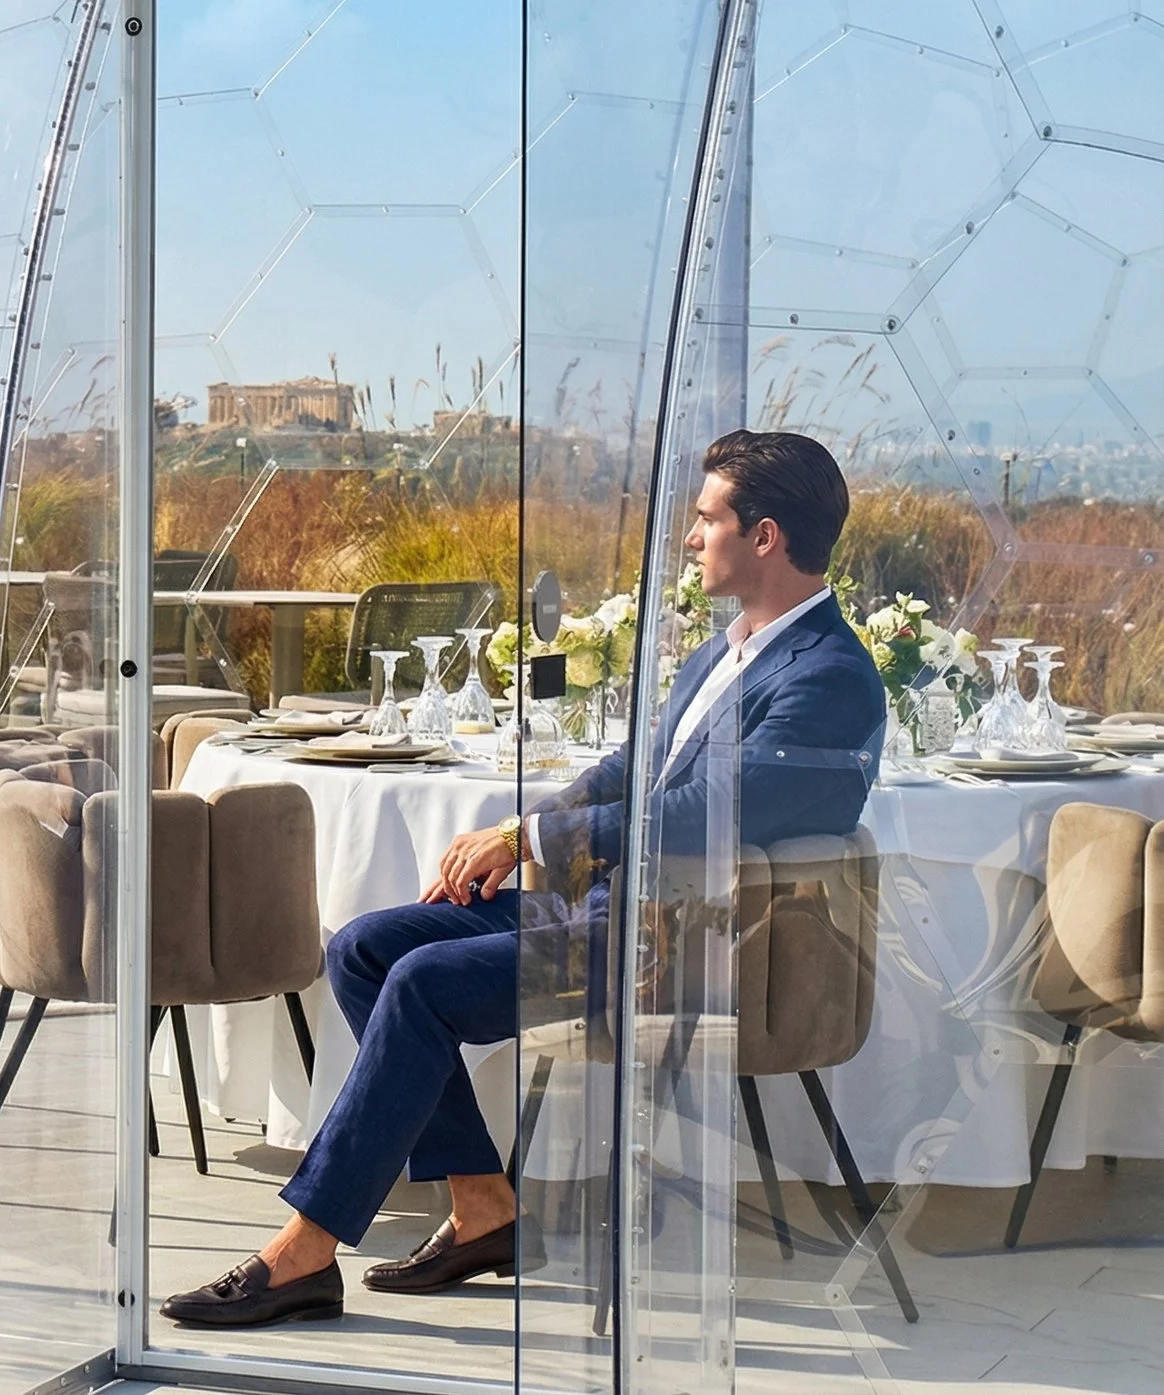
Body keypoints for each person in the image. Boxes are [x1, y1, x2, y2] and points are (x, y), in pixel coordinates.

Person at [161, 429, 887, 1328]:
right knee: (363, 948)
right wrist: (517, 829)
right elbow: (638, 769)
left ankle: (305, 1251)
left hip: (682, 950)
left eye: (707, 519)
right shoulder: (733, 646)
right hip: (608, 915)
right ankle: (484, 1206)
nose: (693, 539)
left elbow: (706, 817)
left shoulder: (829, 677)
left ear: (765, 535)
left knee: (423, 982)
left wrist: (535, 837)